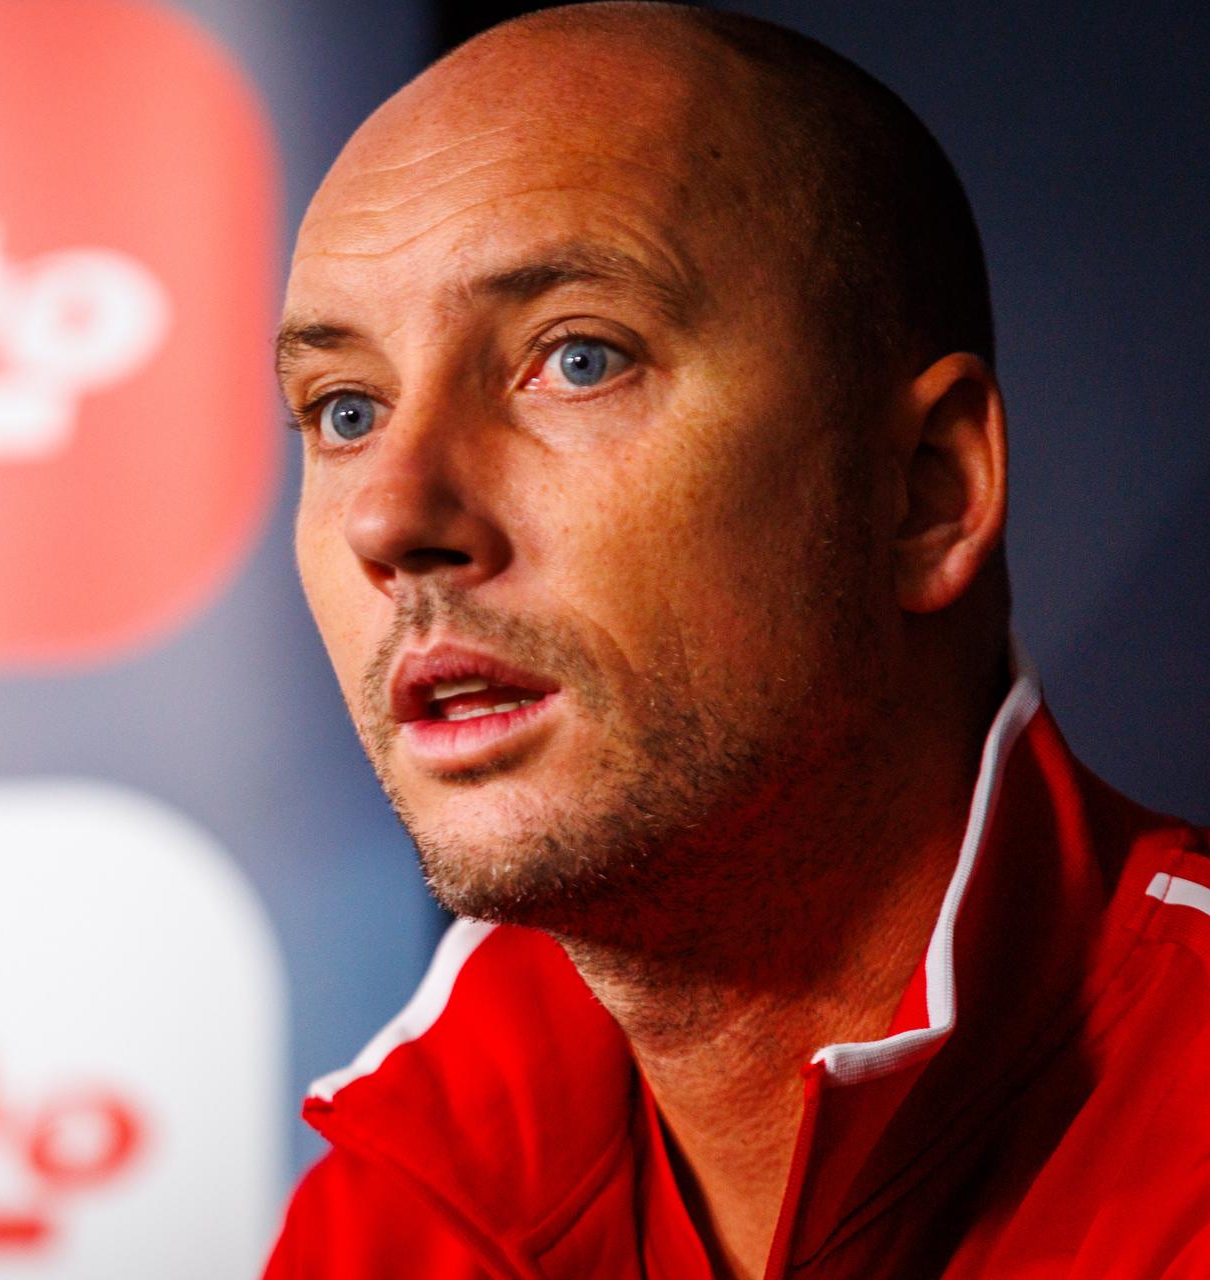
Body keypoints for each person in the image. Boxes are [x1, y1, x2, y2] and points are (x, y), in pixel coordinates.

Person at [264, 4, 1210, 1277]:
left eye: (579, 357)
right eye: (344, 408)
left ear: (925, 489)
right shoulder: (389, 1211)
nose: (391, 515)